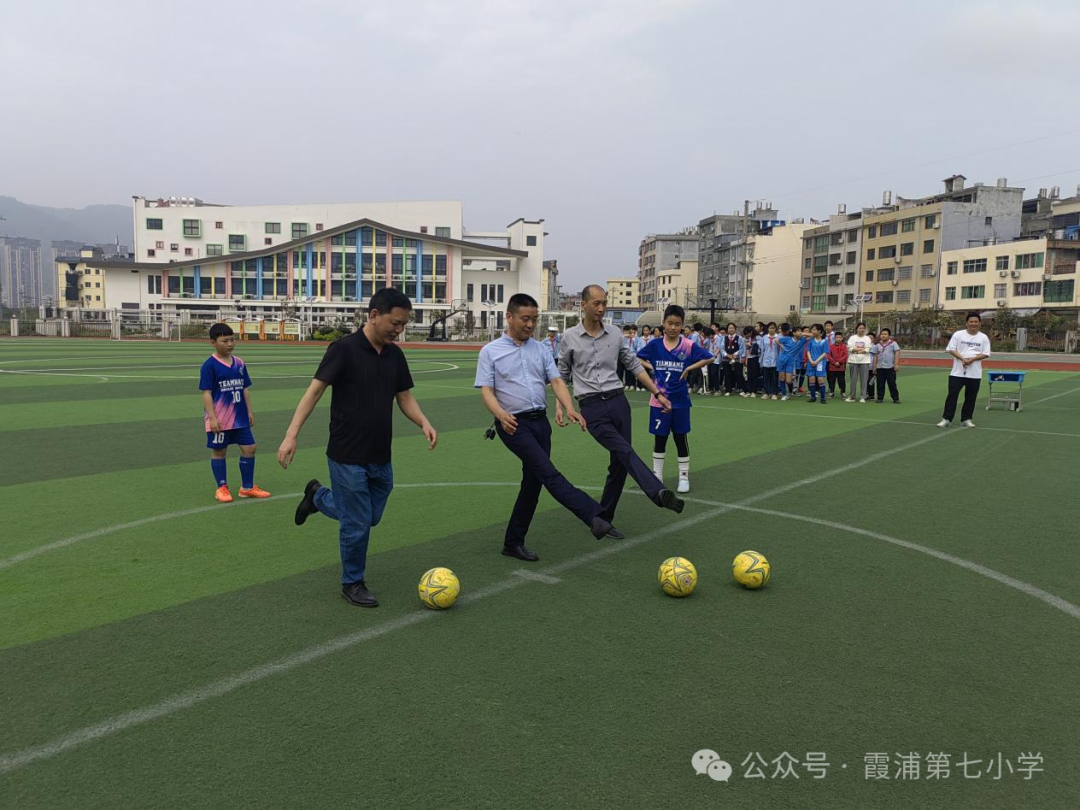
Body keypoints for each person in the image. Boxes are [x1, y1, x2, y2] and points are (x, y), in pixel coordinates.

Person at [278, 288, 438, 608]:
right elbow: (314, 393)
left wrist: (423, 421)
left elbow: (403, 397)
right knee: (357, 523)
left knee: (369, 517)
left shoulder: (395, 355)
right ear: (374, 315)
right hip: (346, 453)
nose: (399, 329)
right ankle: (352, 581)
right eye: (395, 322)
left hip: (381, 454)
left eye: (404, 324)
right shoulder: (344, 350)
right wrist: (291, 435)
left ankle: (318, 496)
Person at [478, 293, 615, 562]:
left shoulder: (540, 349)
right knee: (549, 474)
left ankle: (513, 542)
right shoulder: (490, 352)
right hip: (513, 425)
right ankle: (594, 515)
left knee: (533, 483)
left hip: (540, 423)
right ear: (509, 317)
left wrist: (570, 407)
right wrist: (499, 413)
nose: (530, 325)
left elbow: (556, 381)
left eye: (534, 320)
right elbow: (486, 391)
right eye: (525, 319)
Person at [558, 285, 685, 526]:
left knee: (619, 464)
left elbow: (633, 365)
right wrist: (561, 406)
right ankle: (657, 492)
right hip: (591, 407)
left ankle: (603, 518)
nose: (601, 308)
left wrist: (657, 393)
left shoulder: (615, 333)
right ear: (583, 305)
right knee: (624, 451)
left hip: (618, 402)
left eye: (604, 303)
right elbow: (561, 375)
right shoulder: (569, 338)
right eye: (596, 303)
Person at [636, 304, 714, 493]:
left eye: (677, 324)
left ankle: (684, 477)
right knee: (660, 439)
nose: (673, 327)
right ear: (663, 323)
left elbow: (709, 358)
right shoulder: (654, 345)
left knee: (680, 438)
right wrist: (652, 367)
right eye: (669, 323)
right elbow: (636, 358)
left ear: (682, 325)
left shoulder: (687, 345)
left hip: (680, 402)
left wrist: (689, 368)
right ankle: (657, 476)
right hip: (658, 400)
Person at [200, 323, 271, 503]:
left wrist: (249, 411)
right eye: (225, 341)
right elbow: (206, 393)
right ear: (213, 342)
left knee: (250, 448)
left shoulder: (239, 363)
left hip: (239, 417)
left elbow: (244, 388)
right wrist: (213, 418)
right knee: (219, 451)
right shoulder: (209, 365)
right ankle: (222, 487)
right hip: (220, 419)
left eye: (232, 340)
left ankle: (247, 487)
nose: (230, 344)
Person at [938, 312, 992, 428]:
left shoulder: (983, 337)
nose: (973, 324)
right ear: (966, 323)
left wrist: (972, 359)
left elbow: (986, 353)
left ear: (979, 324)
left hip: (974, 374)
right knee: (952, 396)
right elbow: (951, 349)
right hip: (957, 372)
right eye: (971, 321)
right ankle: (946, 419)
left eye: (976, 322)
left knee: (970, 397)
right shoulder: (958, 335)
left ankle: (966, 419)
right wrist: (962, 358)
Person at [776, 324, 808, 401]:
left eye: (801, 331)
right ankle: (784, 394)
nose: (800, 332)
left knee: (789, 380)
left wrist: (802, 333)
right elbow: (776, 340)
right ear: (793, 333)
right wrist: (782, 347)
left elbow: (812, 335)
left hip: (790, 361)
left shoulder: (802, 341)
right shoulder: (788, 339)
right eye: (798, 331)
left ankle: (790, 392)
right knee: (782, 378)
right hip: (782, 359)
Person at [872, 328, 901, 403]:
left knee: (892, 383)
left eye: (885, 334)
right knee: (880, 384)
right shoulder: (878, 345)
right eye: (882, 334)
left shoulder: (893, 343)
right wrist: (874, 367)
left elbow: (897, 353)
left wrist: (896, 364)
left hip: (890, 367)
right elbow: (875, 356)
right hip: (880, 367)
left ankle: (895, 398)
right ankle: (880, 398)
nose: (883, 336)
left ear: (889, 336)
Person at [846, 323, 872, 402]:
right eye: (860, 328)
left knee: (864, 380)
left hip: (864, 361)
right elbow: (850, 347)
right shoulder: (852, 338)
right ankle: (852, 396)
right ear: (857, 329)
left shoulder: (867, 338)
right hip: (854, 360)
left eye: (863, 328)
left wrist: (857, 349)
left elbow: (868, 348)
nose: (861, 330)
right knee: (853, 379)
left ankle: (863, 397)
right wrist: (860, 349)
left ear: (865, 329)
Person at [805, 324, 830, 404]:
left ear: (819, 331)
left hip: (820, 363)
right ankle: (813, 397)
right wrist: (811, 360)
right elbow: (808, 351)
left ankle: (823, 398)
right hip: (811, 362)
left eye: (814, 329)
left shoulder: (824, 341)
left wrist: (816, 361)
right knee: (811, 379)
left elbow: (825, 353)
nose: (813, 331)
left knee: (820, 379)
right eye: (812, 330)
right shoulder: (811, 341)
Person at [759, 322, 780, 400]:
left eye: (773, 328)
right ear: (767, 329)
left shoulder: (779, 337)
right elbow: (762, 350)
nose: (772, 329)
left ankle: (774, 393)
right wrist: (761, 361)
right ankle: (767, 393)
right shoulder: (764, 338)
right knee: (766, 378)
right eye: (770, 328)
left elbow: (780, 349)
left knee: (775, 378)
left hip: (775, 360)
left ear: (776, 329)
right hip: (766, 360)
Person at [721, 322, 743, 396]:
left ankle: (741, 389)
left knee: (738, 374)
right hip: (726, 359)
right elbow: (721, 348)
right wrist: (726, 355)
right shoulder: (724, 338)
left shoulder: (739, 338)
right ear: (727, 329)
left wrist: (735, 354)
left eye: (732, 328)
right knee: (727, 374)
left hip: (736, 359)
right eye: (729, 328)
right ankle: (728, 390)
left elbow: (742, 348)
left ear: (735, 329)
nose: (731, 329)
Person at [827, 327, 848, 399]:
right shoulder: (831, 346)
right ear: (834, 338)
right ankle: (831, 392)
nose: (838, 338)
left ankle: (843, 392)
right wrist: (834, 362)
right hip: (832, 367)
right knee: (831, 380)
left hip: (841, 367)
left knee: (842, 381)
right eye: (837, 337)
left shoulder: (844, 346)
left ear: (842, 338)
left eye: (840, 337)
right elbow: (828, 355)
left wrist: (839, 362)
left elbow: (845, 355)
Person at [742, 326, 761, 398]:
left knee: (754, 375)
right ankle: (749, 391)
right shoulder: (748, 338)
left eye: (748, 333)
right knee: (749, 375)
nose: (747, 335)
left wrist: (751, 345)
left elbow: (760, 348)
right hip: (749, 357)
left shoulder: (758, 338)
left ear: (751, 332)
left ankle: (754, 391)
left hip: (755, 358)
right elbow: (746, 348)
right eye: (746, 334)